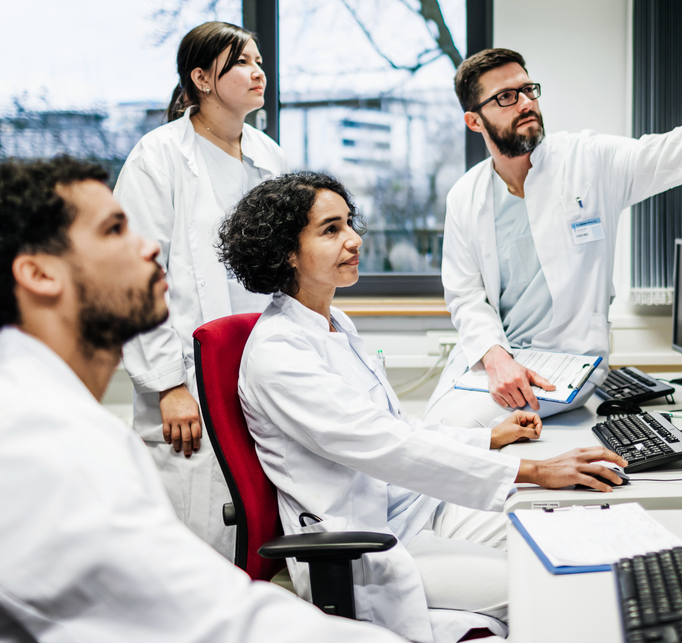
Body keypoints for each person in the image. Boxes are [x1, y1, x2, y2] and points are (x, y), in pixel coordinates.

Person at [0, 157, 399, 643]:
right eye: (115, 230)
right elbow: (212, 620)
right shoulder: (28, 443)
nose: (151, 246)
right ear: (40, 274)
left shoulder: (56, 419)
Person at [217, 172, 627, 643]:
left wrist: (488, 439)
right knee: (555, 585)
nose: (353, 240)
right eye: (330, 230)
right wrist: (531, 469)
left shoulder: (334, 324)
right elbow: (386, 446)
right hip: (370, 548)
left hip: (413, 509)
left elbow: (393, 426)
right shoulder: (278, 354)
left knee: (569, 530)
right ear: (286, 251)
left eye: (349, 224)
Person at [424, 48, 682, 427]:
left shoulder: (587, 160)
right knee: (430, 425)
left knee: (456, 428)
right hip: (497, 358)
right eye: (506, 97)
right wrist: (495, 357)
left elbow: (667, 153)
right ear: (475, 121)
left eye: (528, 90)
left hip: (566, 362)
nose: (526, 103)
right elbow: (465, 294)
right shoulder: (465, 196)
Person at [115, 21, 285, 558]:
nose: (258, 72)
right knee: (198, 536)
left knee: (262, 530)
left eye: (259, 60)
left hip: (262, 370)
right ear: (202, 78)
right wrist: (168, 386)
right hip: (187, 381)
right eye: (242, 63)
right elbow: (133, 277)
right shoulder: (157, 157)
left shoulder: (269, 156)